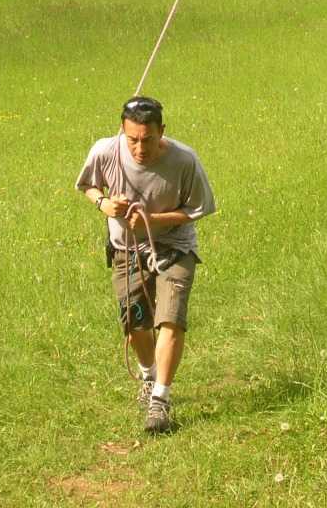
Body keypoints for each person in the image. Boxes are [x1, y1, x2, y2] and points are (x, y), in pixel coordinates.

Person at [76, 96, 216, 435]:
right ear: (123, 131)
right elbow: (86, 186)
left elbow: (197, 209)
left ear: (161, 132)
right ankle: (148, 375)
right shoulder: (106, 150)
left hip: (174, 247)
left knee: (170, 320)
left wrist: (151, 220)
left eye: (148, 139)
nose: (140, 148)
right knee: (135, 324)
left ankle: (161, 399)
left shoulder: (185, 160)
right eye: (132, 139)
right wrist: (105, 204)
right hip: (127, 251)